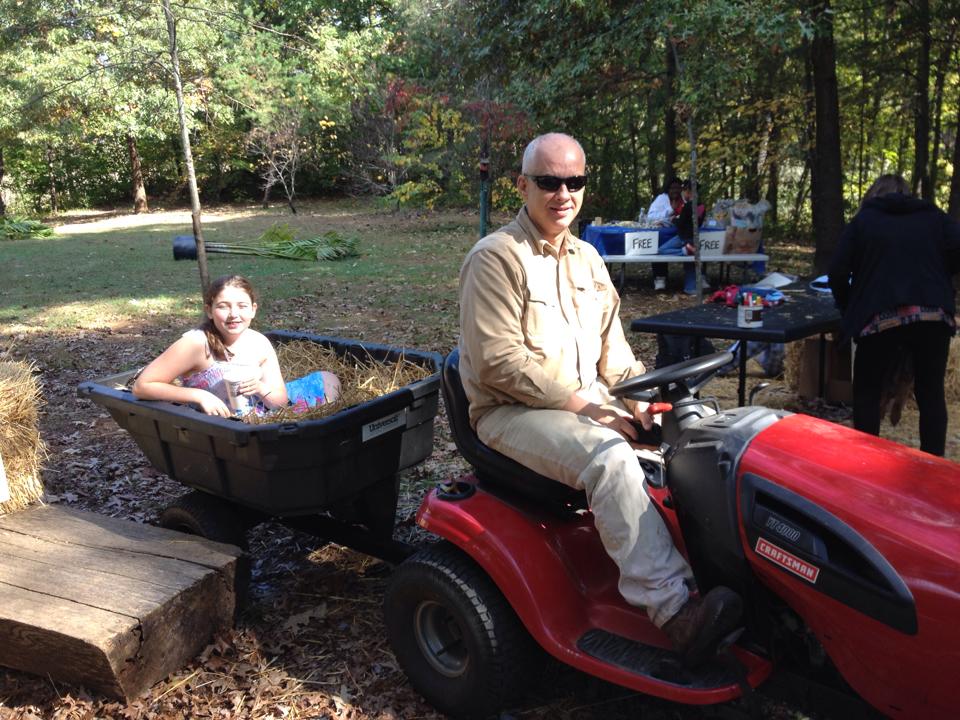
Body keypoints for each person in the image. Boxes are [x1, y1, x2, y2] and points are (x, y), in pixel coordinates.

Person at [458, 132, 742, 668]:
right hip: (510, 411)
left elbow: (616, 356)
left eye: (575, 181)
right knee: (610, 458)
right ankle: (676, 613)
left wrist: (641, 401)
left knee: (703, 432)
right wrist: (591, 410)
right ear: (522, 185)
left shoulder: (589, 258)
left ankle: (729, 576)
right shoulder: (495, 258)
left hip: (586, 400)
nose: (563, 193)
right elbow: (501, 364)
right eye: (548, 181)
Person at [828, 174, 960, 456]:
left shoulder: (864, 221)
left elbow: (837, 271)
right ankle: (933, 466)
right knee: (931, 393)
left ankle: (867, 463)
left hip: (880, 318)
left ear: (873, 194)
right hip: (933, 317)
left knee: (866, 392)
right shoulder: (933, 216)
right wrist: (942, 281)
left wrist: (849, 307)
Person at [133, 275, 340, 417]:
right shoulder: (196, 343)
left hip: (265, 415)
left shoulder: (259, 342)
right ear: (209, 310)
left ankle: (313, 422)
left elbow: (280, 401)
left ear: (253, 310)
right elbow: (142, 386)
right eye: (223, 307)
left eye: (242, 306)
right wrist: (199, 395)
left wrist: (260, 388)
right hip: (224, 425)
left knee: (328, 378)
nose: (234, 314)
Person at [647, 177, 684, 290]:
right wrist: (670, 210)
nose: (675, 191)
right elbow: (650, 217)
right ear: (668, 189)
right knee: (658, 248)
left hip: (680, 232)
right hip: (662, 233)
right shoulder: (661, 199)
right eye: (672, 188)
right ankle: (660, 277)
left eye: (678, 188)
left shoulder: (684, 198)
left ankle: (695, 277)